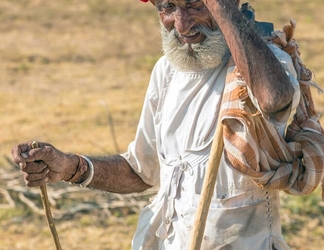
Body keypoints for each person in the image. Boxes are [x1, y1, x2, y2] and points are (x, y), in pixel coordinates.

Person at [11, 0, 324, 249]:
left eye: (195, 5)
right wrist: (69, 167)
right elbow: (141, 172)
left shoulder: (262, 63)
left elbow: (273, 99)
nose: (182, 25)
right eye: (168, 7)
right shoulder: (166, 71)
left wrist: (222, 7)